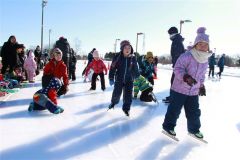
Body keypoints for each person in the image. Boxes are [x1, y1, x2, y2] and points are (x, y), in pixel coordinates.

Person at [162, 27, 212, 139]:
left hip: (193, 91)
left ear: (208, 47)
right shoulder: (187, 56)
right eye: (200, 44)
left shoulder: (205, 60)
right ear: (195, 45)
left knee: (194, 112)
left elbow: (202, 75)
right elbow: (177, 68)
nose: (203, 47)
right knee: (174, 110)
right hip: (179, 89)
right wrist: (185, 77)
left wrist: (201, 85)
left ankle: (194, 130)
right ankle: (168, 127)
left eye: (205, 45)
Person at [108, 40, 140, 116]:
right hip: (119, 79)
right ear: (122, 49)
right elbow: (112, 68)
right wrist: (111, 78)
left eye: (129, 48)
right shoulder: (118, 57)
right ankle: (113, 103)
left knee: (128, 96)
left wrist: (137, 76)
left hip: (129, 80)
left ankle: (126, 109)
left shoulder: (133, 58)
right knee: (116, 93)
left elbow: (135, 69)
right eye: (125, 48)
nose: (127, 49)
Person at [163, 27, 185, 103]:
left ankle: (174, 98)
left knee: (174, 82)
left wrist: (177, 66)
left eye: (169, 34)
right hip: (177, 66)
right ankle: (173, 97)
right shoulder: (177, 40)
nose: (169, 36)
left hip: (178, 66)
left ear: (173, 33)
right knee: (173, 81)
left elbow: (178, 55)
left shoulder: (177, 41)